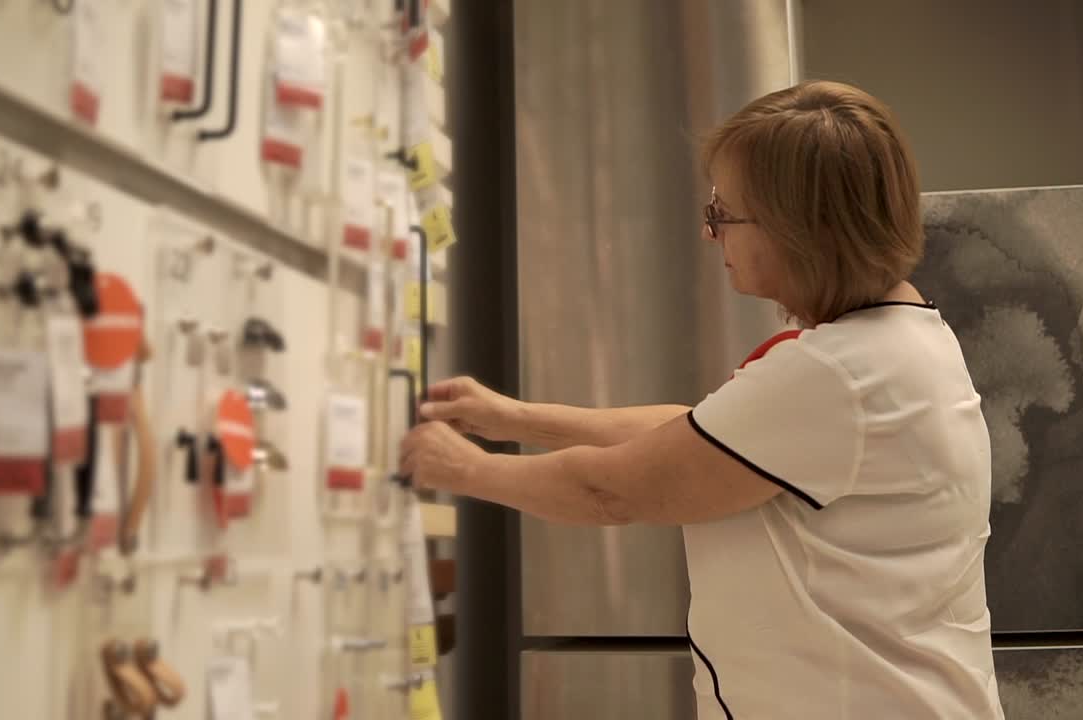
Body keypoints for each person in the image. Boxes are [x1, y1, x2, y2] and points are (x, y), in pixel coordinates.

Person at [399, 80, 1005, 719]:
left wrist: (463, 468)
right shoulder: (897, 342)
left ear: (795, 229)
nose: (710, 233)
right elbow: (700, 436)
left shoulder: (840, 376)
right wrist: (513, 418)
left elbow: (615, 491)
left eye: (724, 212)